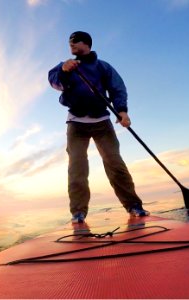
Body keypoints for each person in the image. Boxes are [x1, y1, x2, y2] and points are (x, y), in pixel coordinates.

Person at [48, 31, 149, 223]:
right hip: (76, 123)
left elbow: (118, 88)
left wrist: (122, 111)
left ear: (86, 44)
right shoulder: (67, 65)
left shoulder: (103, 67)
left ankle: (134, 206)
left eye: (75, 42)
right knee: (77, 168)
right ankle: (78, 213)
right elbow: (54, 81)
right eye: (69, 43)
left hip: (102, 122)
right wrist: (63, 69)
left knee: (115, 164)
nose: (71, 45)